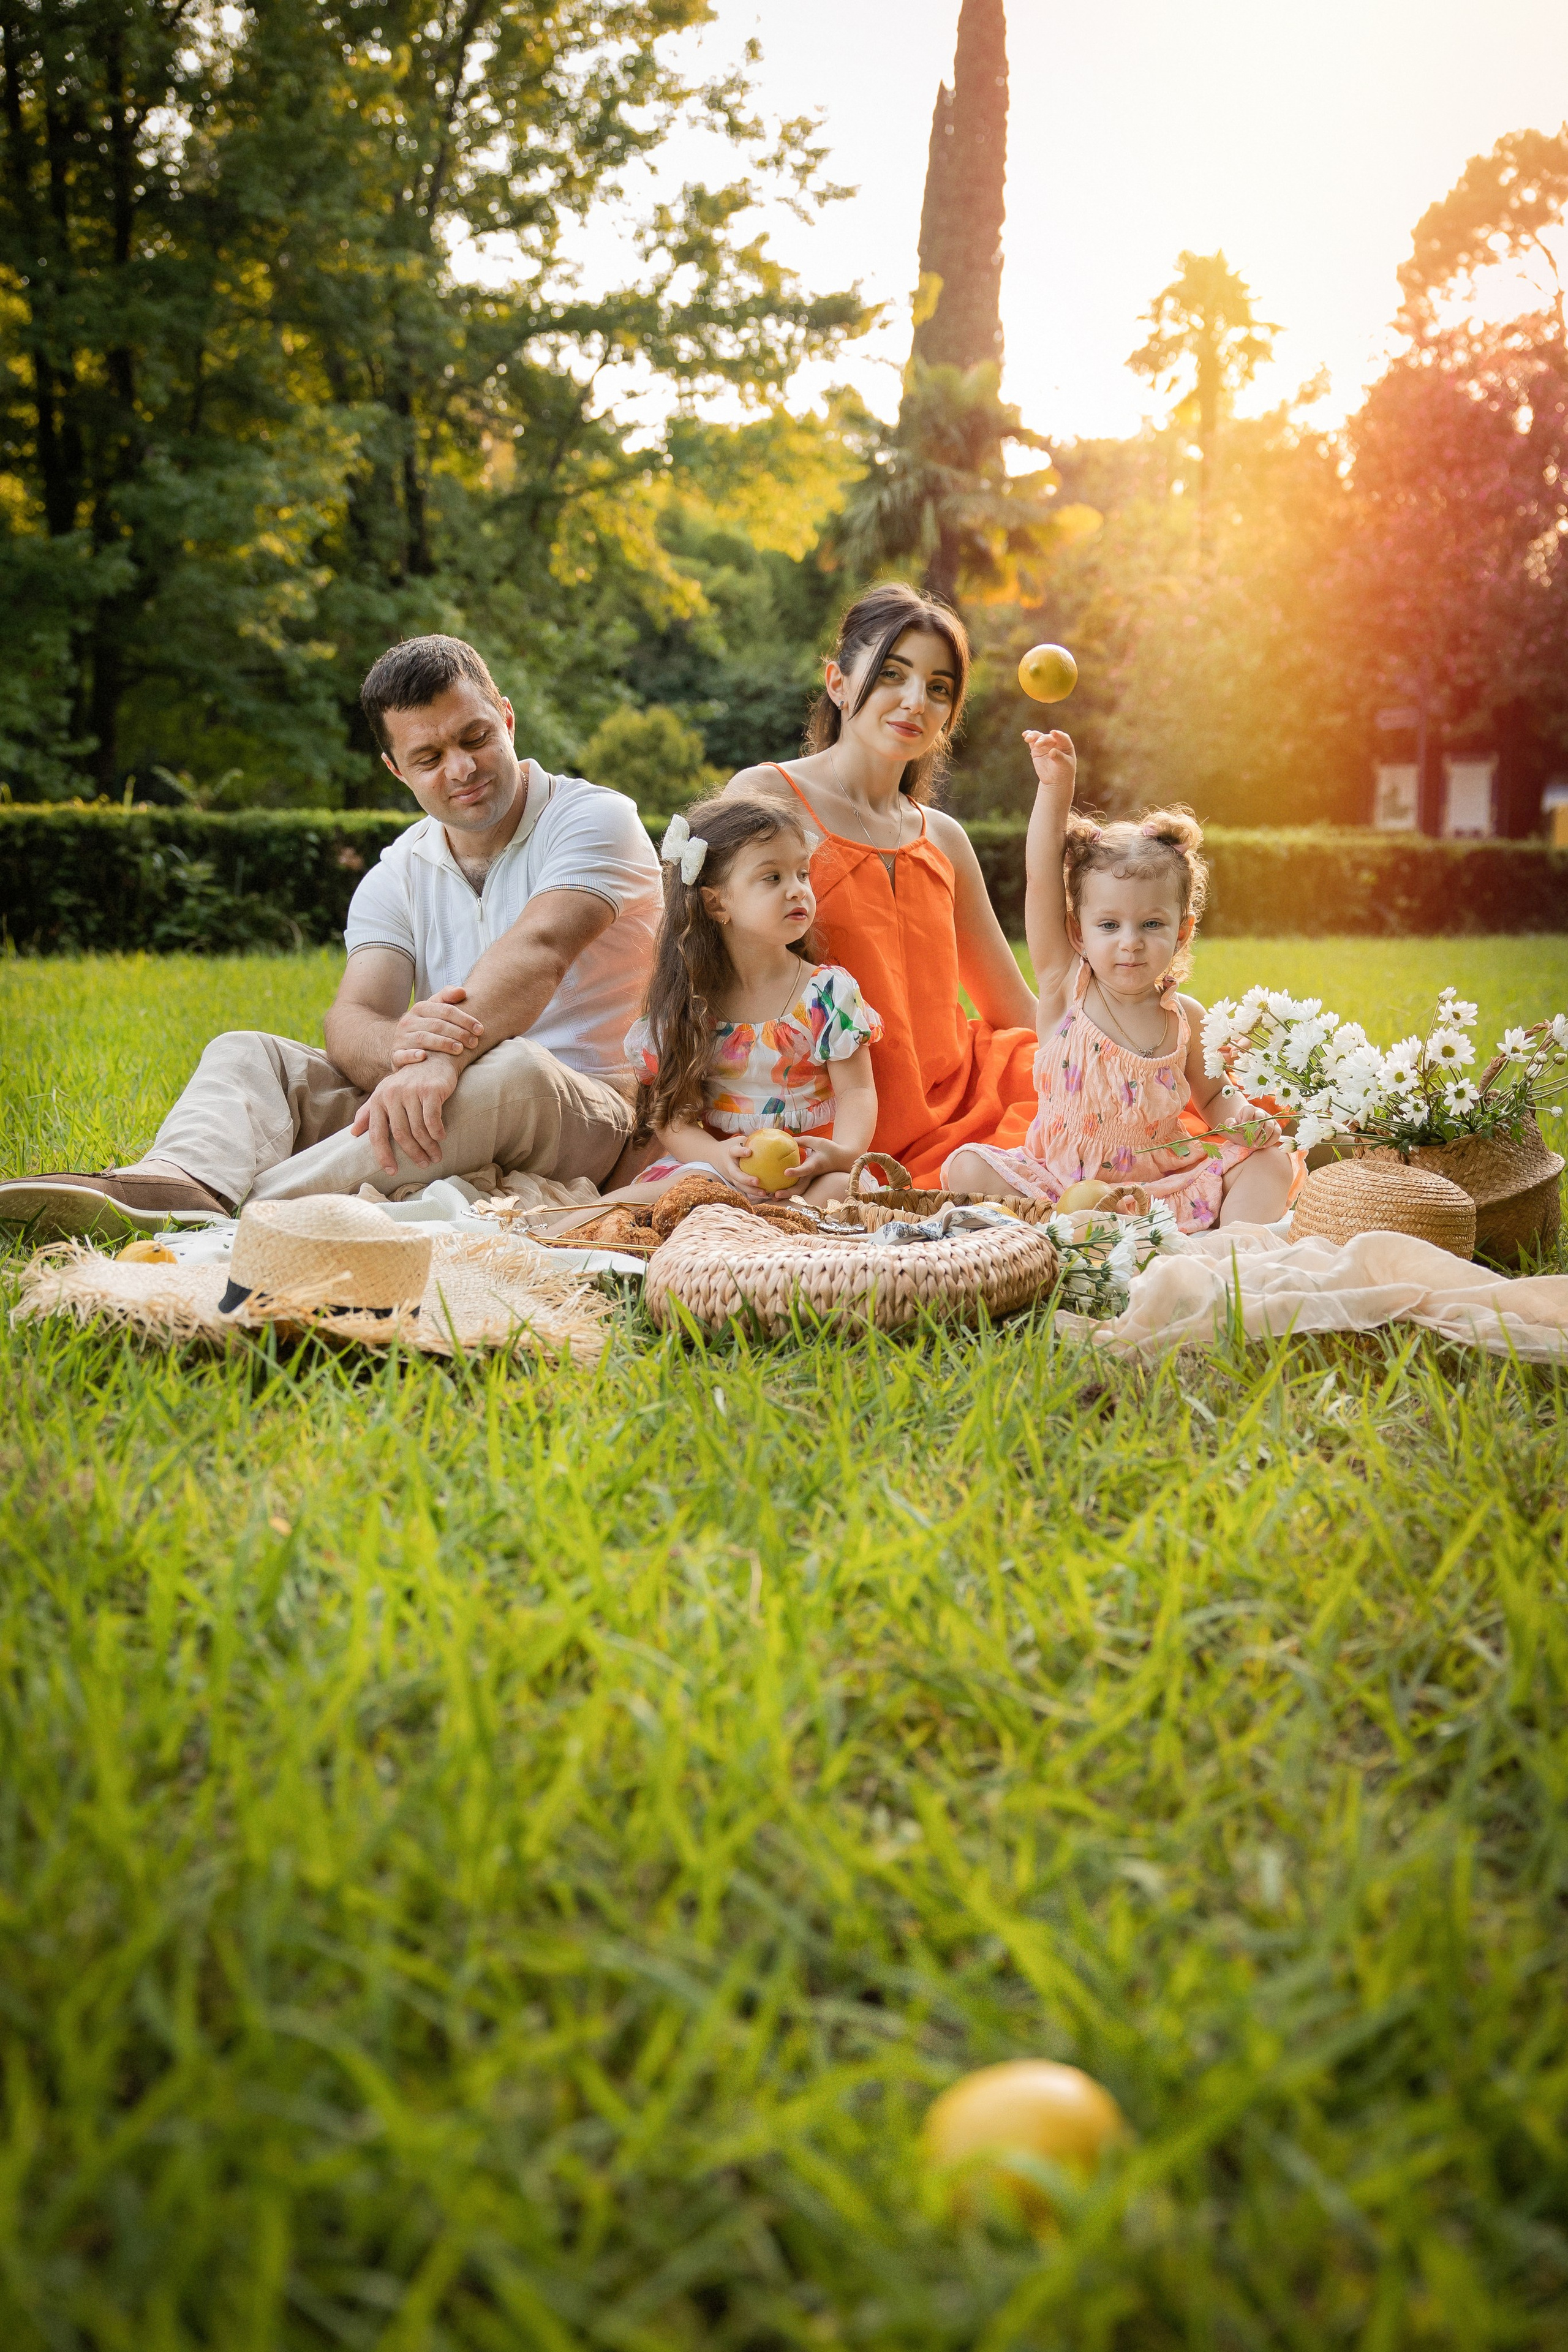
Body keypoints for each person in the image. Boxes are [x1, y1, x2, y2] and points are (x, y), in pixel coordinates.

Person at [0, 637, 662, 1237]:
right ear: (395, 770)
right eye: (428, 757)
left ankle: (234, 1222)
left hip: (593, 1108)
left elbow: (540, 949)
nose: (461, 769)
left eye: (475, 737)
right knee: (247, 1052)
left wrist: (440, 1059)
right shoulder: (396, 872)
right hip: (439, 1092)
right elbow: (354, 1017)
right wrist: (403, 1046)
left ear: (508, 719)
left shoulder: (593, 817)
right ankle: (181, 1181)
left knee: (511, 1067)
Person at [724, 581, 1039, 1187]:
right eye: (892, 675)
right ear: (837, 683)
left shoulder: (942, 838)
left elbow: (1013, 1008)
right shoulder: (765, 799)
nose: (914, 700)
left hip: (962, 1104)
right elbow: (698, 969)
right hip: (822, 1119)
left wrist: (1131, 1037)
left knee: (1099, 1107)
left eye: (938, 688)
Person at [943, 726, 1293, 1227]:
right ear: (1077, 932)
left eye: (1152, 925)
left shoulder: (1184, 1018)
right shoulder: (1066, 988)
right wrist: (1055, 788)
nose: (1130, 942)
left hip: (1158, 1192)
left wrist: (1243, 1121)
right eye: (1109, 925)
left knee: (1272, 1162)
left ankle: (1230, 1249)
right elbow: (1043, 878)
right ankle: (1054, 1236)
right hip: (1060, 1187)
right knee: (969, 1168)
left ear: (1182, 932)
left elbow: (1216, 1096)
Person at [625, 794, 881, 1207]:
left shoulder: (827, 997)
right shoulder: (690, 1005)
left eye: (802, 873)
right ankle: (548, 1236)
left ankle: (762, 1249)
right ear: (716, 902)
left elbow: (857, 1093)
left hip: (808, 1173)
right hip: (721, 1174)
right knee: (656, 1196)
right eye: (772, 878)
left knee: (839, 1193)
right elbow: (674, 1119)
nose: (798, 890)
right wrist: (718, 1158)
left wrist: (843, 1152)